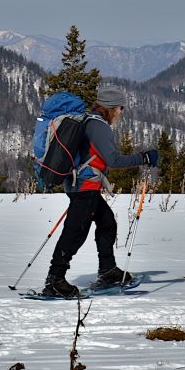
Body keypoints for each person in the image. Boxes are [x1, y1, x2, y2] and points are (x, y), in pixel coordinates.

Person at [42, 84, 159, 298]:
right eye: (121, 107)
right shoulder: (99, 126)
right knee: (74, 232)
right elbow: (113, 160)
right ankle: (55, 280)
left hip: (81, 184)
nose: (122, 112)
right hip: (85, 186)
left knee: (107, 222)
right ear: (112, 107)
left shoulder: (88, 120)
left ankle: (108, 270)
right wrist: (143, 158)